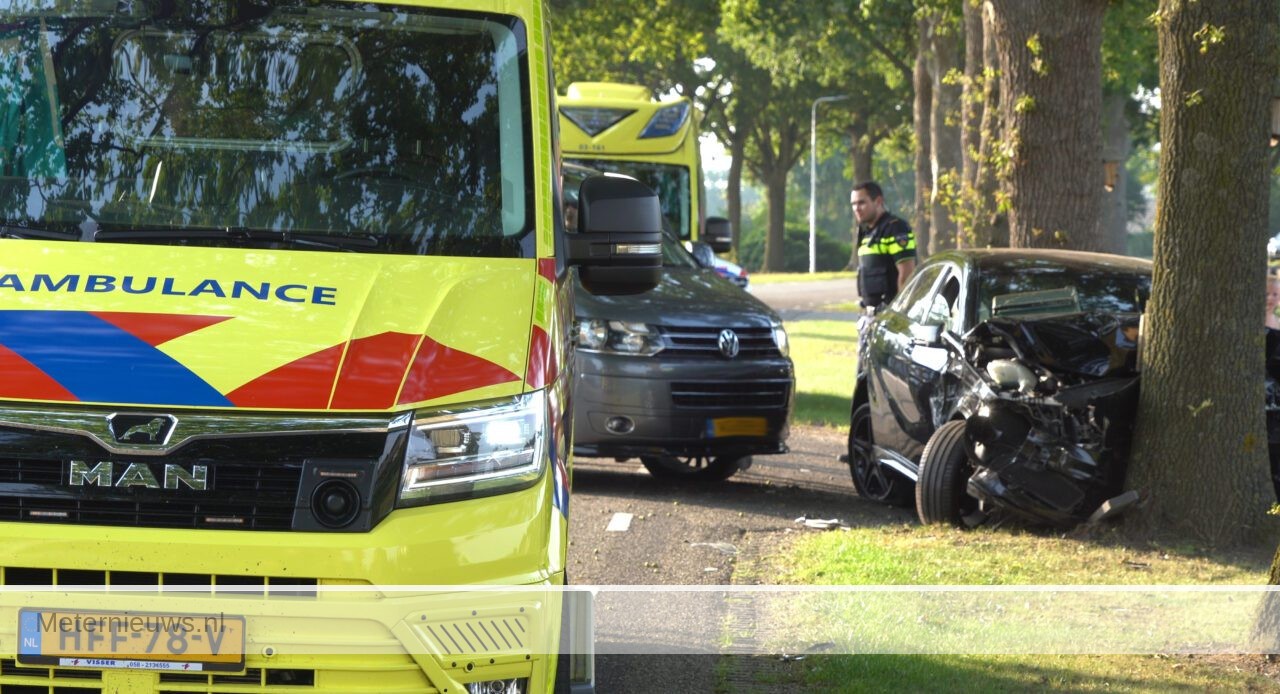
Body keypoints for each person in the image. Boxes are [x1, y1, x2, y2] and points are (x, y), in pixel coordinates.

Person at [851, 181, 916, 311]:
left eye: (861, 203)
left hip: (890, 314)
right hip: (871, 314)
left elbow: (907, 273)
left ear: (878, 201)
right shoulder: (866, 232)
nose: (856, 208)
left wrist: (898, 312)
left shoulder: (895, 228)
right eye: (853, 204)